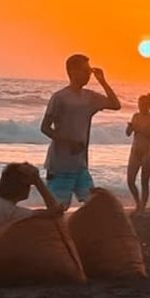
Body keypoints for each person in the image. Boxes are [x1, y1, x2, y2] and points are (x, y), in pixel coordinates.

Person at [40, 54, 121, 207]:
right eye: (85, 71)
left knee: (94, 205)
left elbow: (115, 105)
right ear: (72, 71)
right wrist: (69, 142)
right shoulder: (60, 97)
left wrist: (102, 81)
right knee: (57, 210)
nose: (88, 75)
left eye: (89, 71)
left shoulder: (89, 97)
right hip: (60, 166)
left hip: (81, 165)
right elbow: (44, 127)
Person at [126, 94, 150, 212]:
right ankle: (138, 202)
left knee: (144, 181)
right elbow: (128, 134)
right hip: (135, 150)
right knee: (130, 181)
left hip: (147, 152)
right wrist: (130, 128)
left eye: (142, 105)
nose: (139, 107)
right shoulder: (135, 116)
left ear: (147, 105)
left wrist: (142, 130)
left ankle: (143, 207)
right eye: (138, 104)